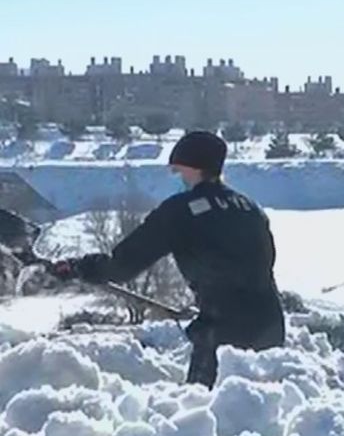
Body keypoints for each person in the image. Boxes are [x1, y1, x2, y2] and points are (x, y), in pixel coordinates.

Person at [51, 131, 285, 388]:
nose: (177, 178)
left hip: (221, 334)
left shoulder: (180, 211)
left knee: (204, 415)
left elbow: (123, 265)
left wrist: (80, 267)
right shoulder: (251, 208)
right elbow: (263, 263)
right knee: (265, 413)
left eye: (178, 172)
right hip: (271, 328)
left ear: (193, 168)